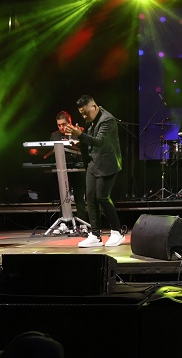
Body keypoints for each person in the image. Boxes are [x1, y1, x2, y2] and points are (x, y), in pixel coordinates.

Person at [65, 95, 125, 248]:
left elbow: (100, 141)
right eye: (82, 114)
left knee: (102, 197)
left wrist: (81, 135)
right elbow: (90, 141)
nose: (84, 117)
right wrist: (78, 140)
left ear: (94, 107)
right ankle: (95, 235)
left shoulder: (107, 120)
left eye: (86, 113)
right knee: (90, 198)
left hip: (107, 163)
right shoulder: (91, 119)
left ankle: (117, 232)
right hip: (93, 163)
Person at [50, 111, 88, 234]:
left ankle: (82, 224)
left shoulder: (78, 131)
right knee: (63, 196)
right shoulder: (55, 135)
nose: (61, 127)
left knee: (79, 197)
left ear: (69, 122)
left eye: (63, 124)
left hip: (78, 169)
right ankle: (64, 223)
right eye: (59, 125)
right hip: (63, 170)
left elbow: (86, 148)